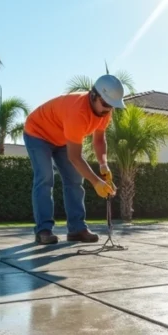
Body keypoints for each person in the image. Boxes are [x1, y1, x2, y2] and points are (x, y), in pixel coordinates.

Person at [22, 74, 123, 244]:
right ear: (93, 96)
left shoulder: (105, 113)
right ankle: (43, 230)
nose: (108, 109)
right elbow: (75, 157)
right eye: (105, 104)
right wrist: (96, 182)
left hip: (63, 138)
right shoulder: (77, 112)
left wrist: (103, 164)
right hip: (38, 133)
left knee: (75, 180)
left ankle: (77, 229)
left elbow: (99, 140)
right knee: (45, 178)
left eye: (112, 106)